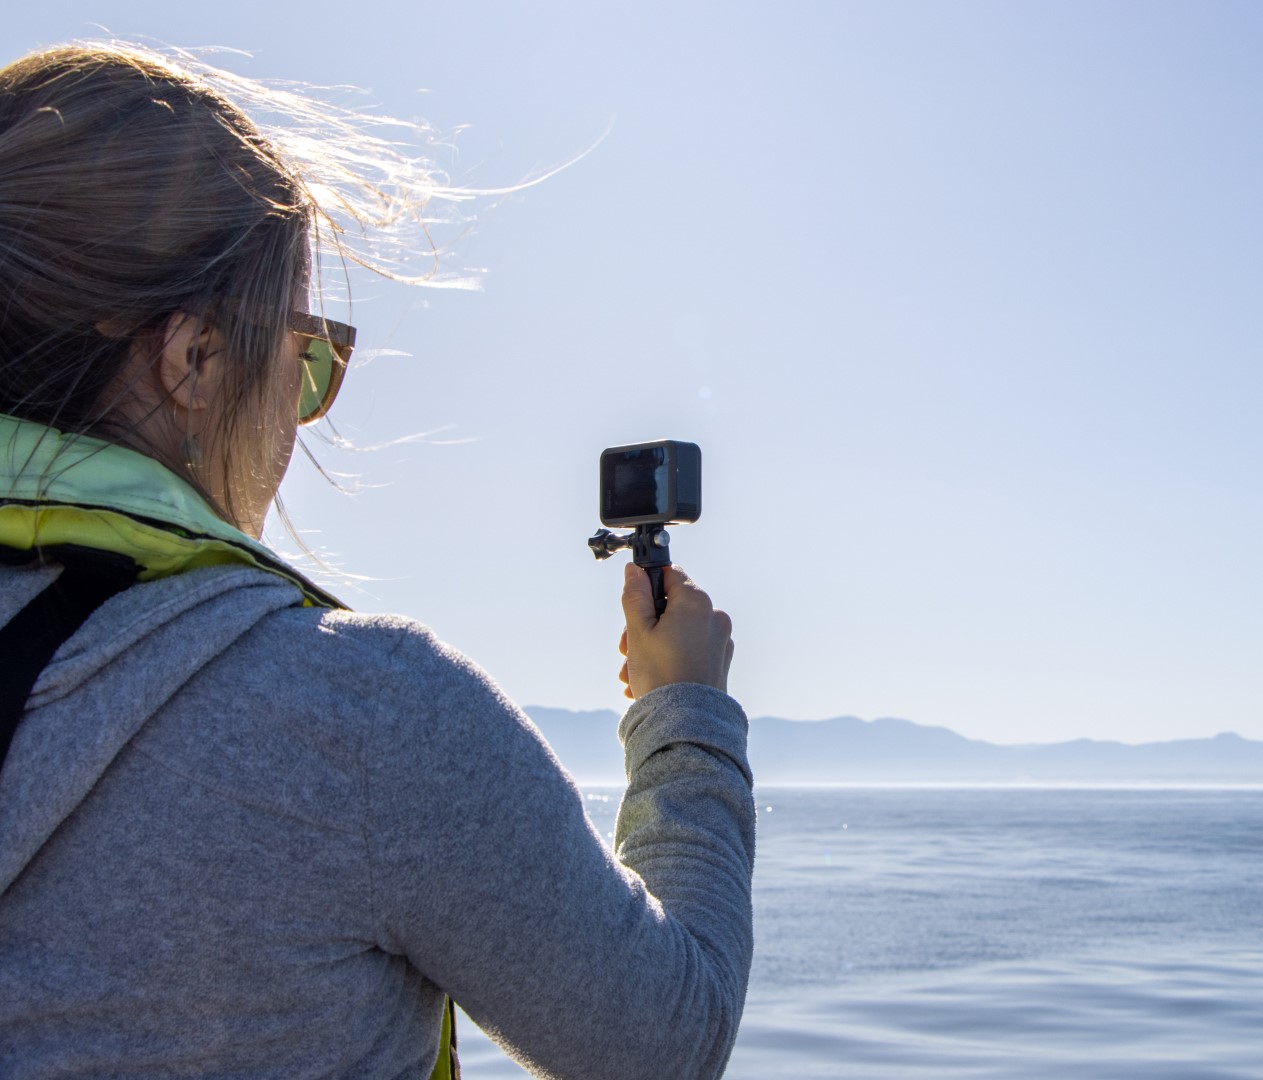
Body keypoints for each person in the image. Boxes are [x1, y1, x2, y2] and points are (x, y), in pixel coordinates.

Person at [0, 43, 753, 1080]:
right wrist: (689, 719)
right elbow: (667, 1040)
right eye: (305, 360)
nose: (299, 423)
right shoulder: (363, 717)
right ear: (196, 362)